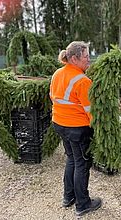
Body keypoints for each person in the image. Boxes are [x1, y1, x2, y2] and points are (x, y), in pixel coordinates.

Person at [49, 41, 102, 216]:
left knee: (72, 159)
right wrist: (99, 130)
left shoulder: (58, 73)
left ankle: (68, 196)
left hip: (60, 124)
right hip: (77, 128)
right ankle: (83, 204)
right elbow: (91, 111)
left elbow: (53, 97)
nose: (89, 60)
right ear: (74, 58)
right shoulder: (82, 80)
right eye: (86, 57)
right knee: (82, 164)